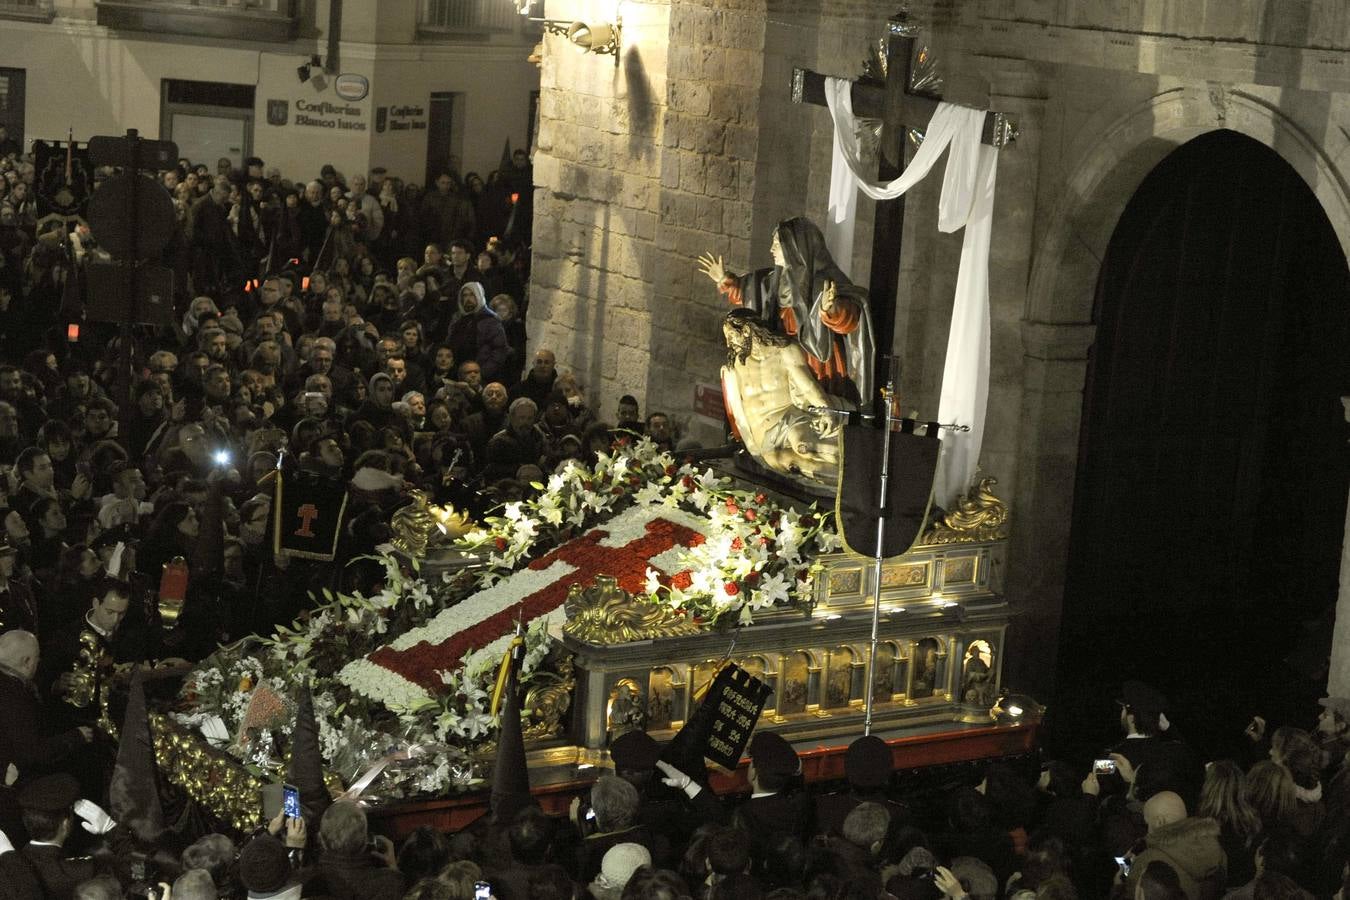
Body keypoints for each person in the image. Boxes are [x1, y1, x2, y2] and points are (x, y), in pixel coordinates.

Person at [699, 217, 876, 406]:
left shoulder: (822, 282)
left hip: (813, 359)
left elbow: (850, 320)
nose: (771, 249)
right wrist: (726, 280)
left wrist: (829, 309)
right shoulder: (773, 280)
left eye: (777, 244)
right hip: (780, 359)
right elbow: (750, 291)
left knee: (813, 402)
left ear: (794, 247)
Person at [720, 311, 846, 483]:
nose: (729, 342)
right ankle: (848, 482)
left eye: (732, 335)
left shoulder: (784, 351)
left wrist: (827, 410)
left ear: (747, 331)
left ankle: (855, 462)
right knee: (792, 463)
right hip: (763, 440)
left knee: (804, 446)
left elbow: (808, 386)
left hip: (789, 419)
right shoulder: (735, 366)